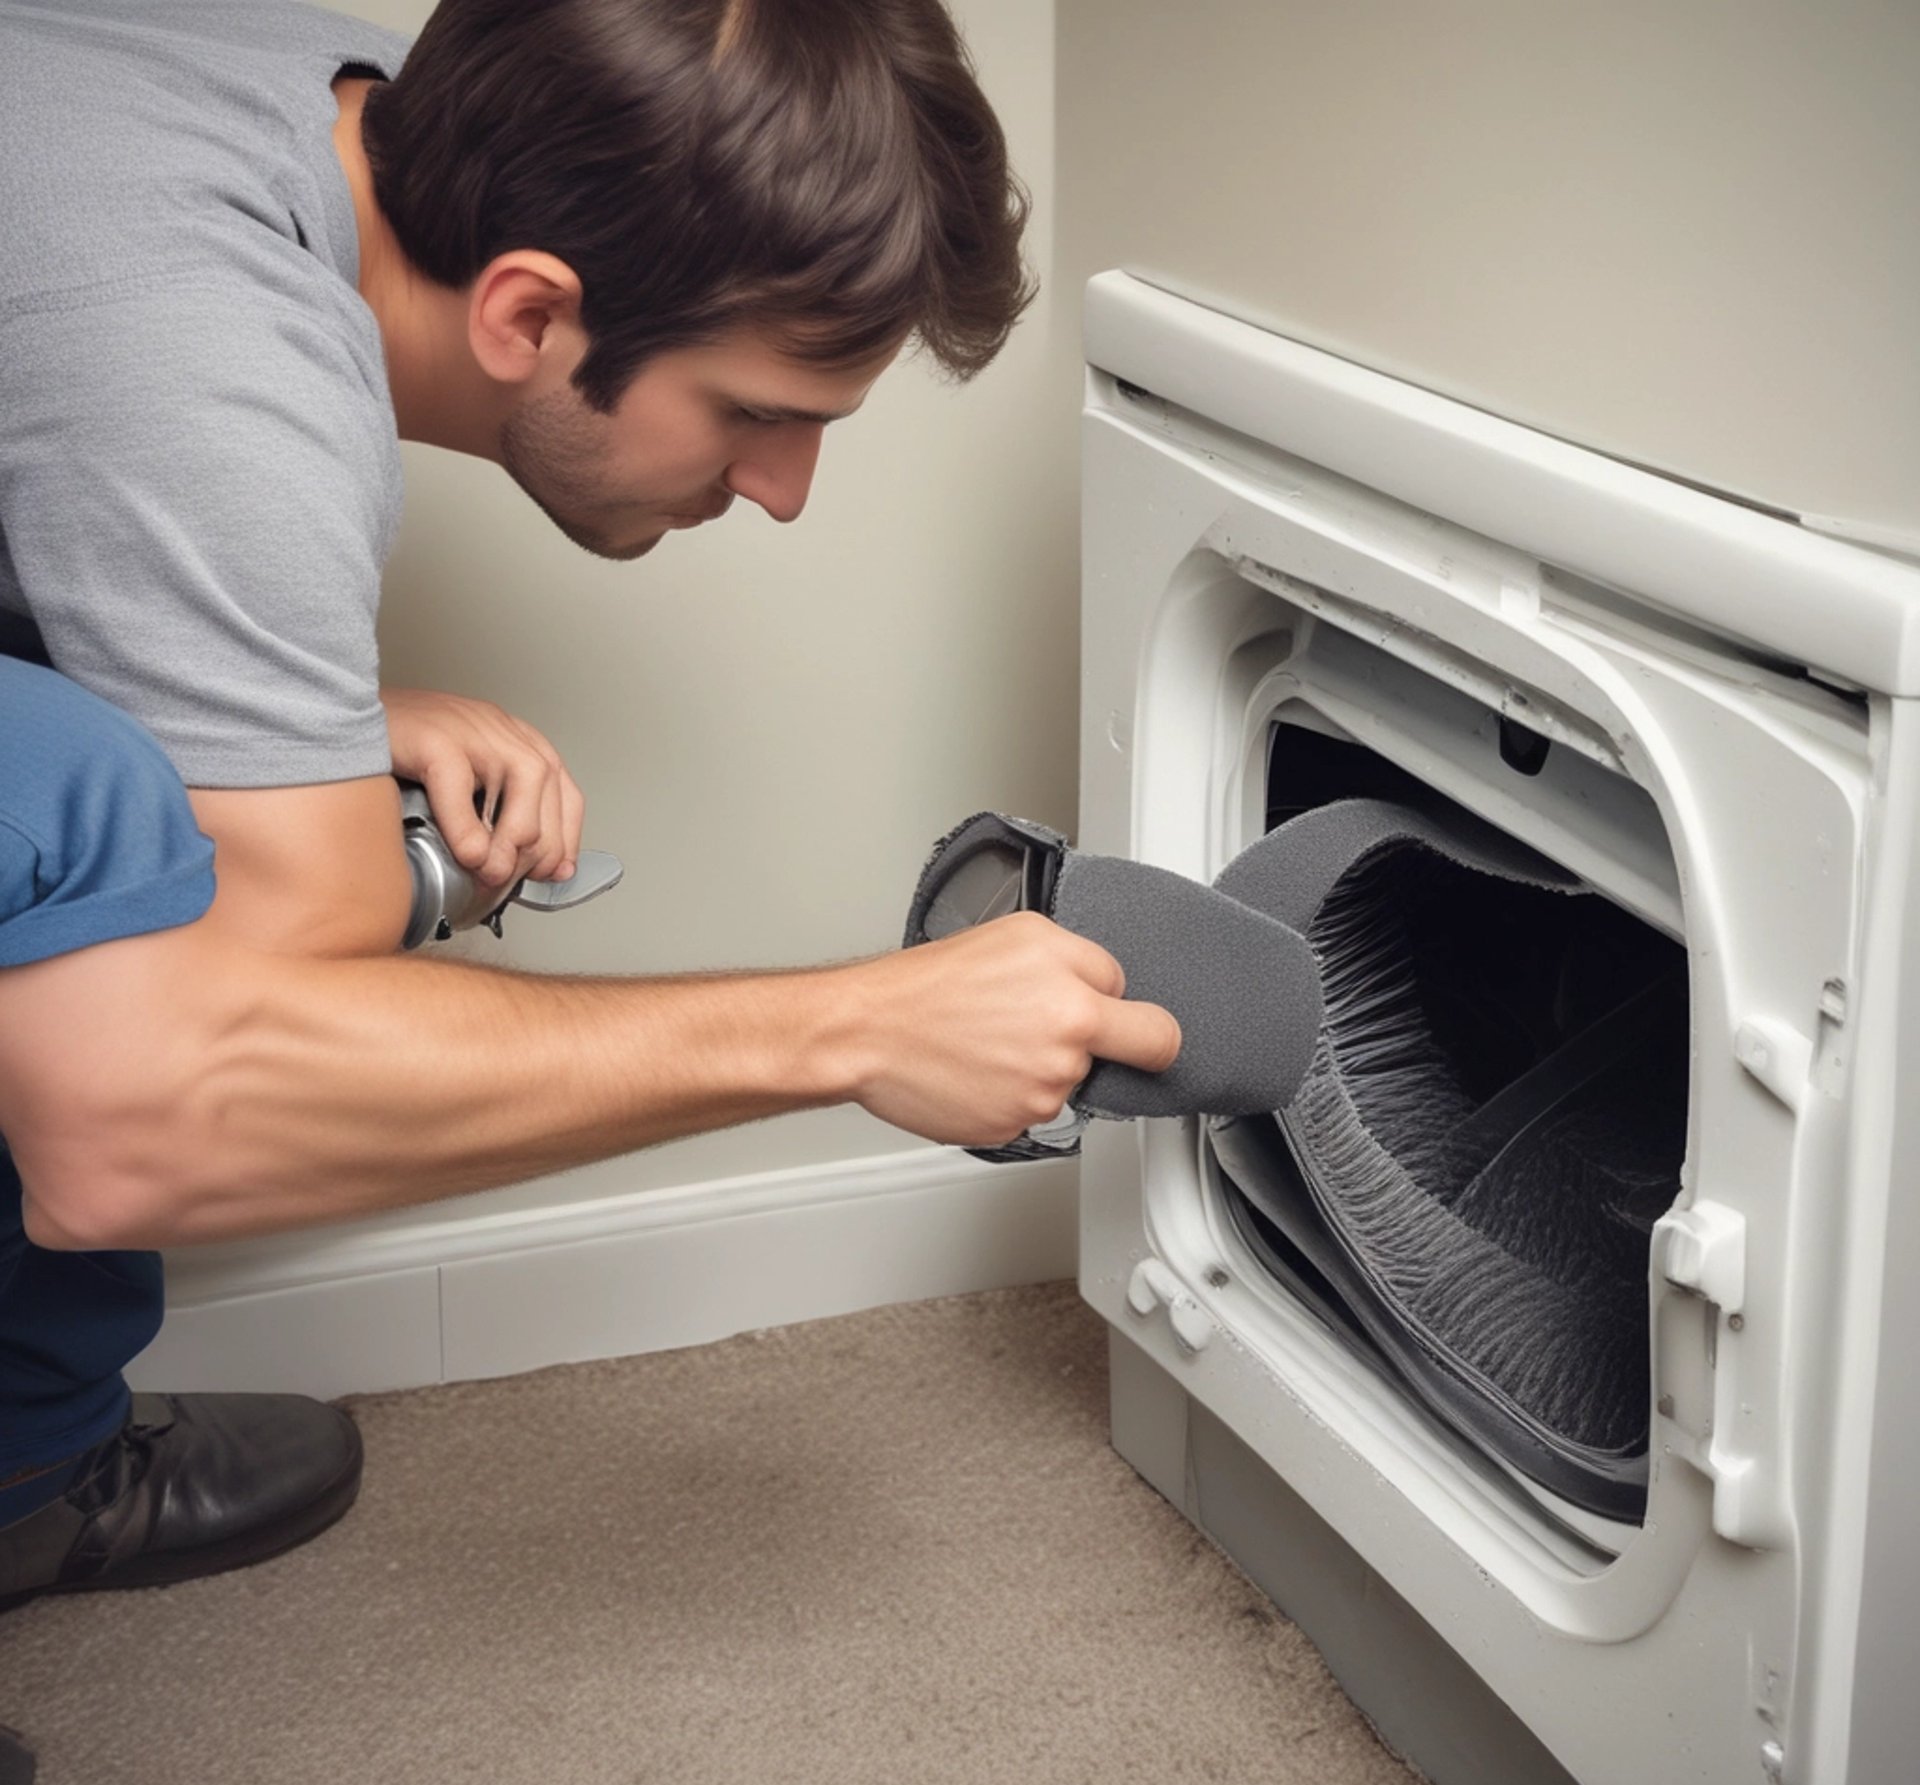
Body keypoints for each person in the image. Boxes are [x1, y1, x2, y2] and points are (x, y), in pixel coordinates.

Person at [0, 0, 1180, 1627]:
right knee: (91, 812)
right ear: (528, 313)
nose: (784, 491)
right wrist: (849, 1030)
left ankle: (18, 1480)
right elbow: (145, 1117)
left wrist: (295, 725)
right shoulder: (214, 360)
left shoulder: (307, 96)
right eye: (761, 412)